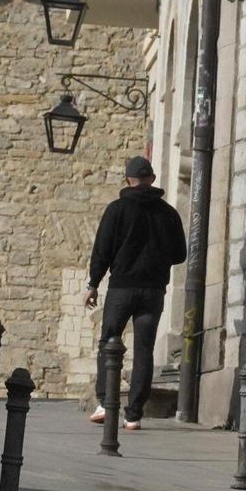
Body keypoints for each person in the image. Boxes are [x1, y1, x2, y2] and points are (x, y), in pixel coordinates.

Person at [84, 155, 187, 431]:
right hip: (153, 291)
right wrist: (157, 258)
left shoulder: (116, 210)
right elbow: (180, 254)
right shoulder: (168, 213)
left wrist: (93, 284)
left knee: (109, 342)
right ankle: (134, 414)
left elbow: (102, 250)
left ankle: (105, 403)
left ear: (128, 179)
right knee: (144, 349)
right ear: (152, 179)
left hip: (122, 287)